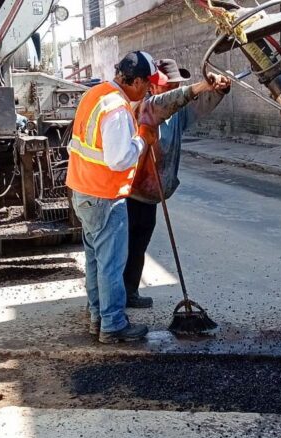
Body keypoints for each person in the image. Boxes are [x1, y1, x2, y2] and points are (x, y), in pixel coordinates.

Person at [66, 51, 162, 343]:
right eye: (148, 85)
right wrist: (142, 139)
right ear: (137, 81)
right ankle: (113, 324)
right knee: (111, 264)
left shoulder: (95, 94)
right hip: (105, 196)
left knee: (96, 261)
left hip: (83, 192)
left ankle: (97, 317)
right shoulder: (117, 108)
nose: (149, 91)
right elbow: (118, 159)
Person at [124, 59, 231, 308]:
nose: (173, 89)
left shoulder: (177, 114)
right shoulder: (146, 107)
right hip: (131, 193)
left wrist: (219, 90)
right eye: (168, 85)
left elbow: (199, 106)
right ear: (153, 86)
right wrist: (199, 87)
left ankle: (129, 292)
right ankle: (116, 297)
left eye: (176, 85)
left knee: (139, 245)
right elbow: (169, 102)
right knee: (126, 247)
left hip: (152, 194)